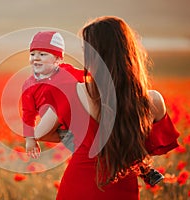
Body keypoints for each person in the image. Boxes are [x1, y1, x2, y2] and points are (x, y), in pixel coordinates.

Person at [33, 16, 180, 199]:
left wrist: (77, 140)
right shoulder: (152, 101)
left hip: (79, 185)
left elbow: (40, 133)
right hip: (122, 188)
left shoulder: (72, 93)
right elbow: (149, 147)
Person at [22, 31, 84, 159]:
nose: (36, 58)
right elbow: (28, 113)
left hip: (78, 123)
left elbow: (88, 78)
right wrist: (30, 139)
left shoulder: (67, 71)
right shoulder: (29, 85)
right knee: (84, 156)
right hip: (62, 132)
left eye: (42, 54)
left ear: (58, 59)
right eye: (32, 54)